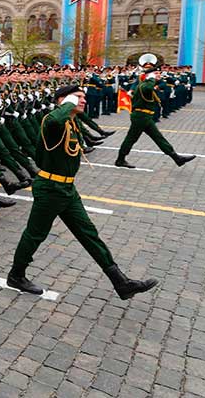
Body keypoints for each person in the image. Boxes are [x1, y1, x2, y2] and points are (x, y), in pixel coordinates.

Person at [8, 85, 157, 300]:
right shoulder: (53, 120)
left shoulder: (71, 121)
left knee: (89, 234)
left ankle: (121, 282)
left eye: (83, 97)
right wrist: (68, 102)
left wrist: (71, 104)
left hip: (66, 188)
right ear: (63, 100)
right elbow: (53, 122)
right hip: (50, 188)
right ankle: (16, 275)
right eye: (77, 97)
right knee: (35, 234)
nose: (83, 100)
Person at [115, 61, 195, 169]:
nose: (159, 76)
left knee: (158, 138)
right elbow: (147, 89)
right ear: (150, 76)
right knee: (131, 138)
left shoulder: (147, 83)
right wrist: (151, 78)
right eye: (156, 74)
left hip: (145, 116)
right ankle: (120, 159)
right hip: (140, 116)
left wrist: (153, 79)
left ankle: (176, 158)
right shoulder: (144, 84)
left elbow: (159, 86)